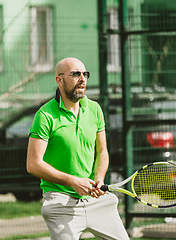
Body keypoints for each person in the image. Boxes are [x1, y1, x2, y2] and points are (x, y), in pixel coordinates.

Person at [26, 57, 129, 240]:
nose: (82, 79)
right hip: (60, 201)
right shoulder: (45, 116)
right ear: (60, 80)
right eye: (75, 74)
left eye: (85, 74)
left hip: (95, 200)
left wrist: (98, 178)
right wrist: (73, 181)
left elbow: (102, 152)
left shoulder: (95, 109)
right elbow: (33, 164)